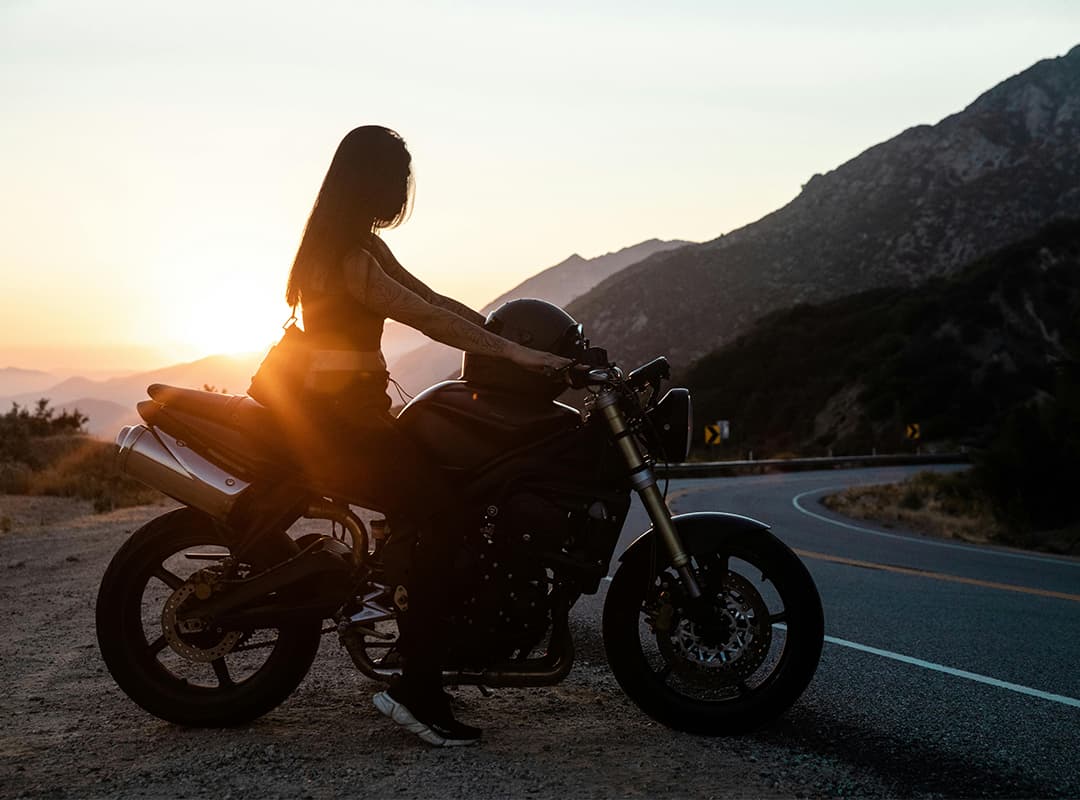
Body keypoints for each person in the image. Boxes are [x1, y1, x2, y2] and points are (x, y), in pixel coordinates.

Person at [282, 125, 572, 746]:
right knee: (444, 516)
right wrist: (517, 358)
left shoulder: (355, 244)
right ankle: (414, 687)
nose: (403, 186)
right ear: (370, 179)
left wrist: (507, 335)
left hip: (352, 417)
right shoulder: (349, 258)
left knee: (452, 494)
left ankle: (398, 596)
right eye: (396, 173)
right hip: (340, 427)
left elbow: (433, 297)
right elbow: (428, 319)